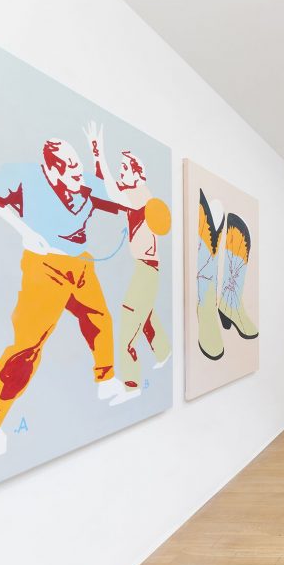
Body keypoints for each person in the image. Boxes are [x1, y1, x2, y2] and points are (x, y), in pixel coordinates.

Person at [0, 137, 130, 459]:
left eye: (78, 164)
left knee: (99, 319)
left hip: (81, 264)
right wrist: (25, 230)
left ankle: (107, 380)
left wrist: (99, 153)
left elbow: (120, 200)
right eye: (69, 167)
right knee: (28, 346)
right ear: (51, 171)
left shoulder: (84, 183)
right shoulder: (26, 178)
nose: (77, 172)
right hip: (45, 268)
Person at [84, 122, 171, 405]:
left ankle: (131, 385)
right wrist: (96, 154)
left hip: (146, 269)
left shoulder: (141, 195)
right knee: (145, 315)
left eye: (124, 169)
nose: (121, 173)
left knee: (128, 322)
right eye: (120, 169)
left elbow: (111, 191)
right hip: (147, 269)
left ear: (137, 173)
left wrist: (101, 152)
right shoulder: (132, 193)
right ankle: (164, 351)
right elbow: (104, 186)